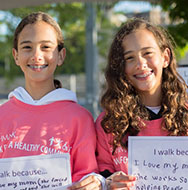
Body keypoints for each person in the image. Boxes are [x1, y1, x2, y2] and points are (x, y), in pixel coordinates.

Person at [0, 12, 105, 190]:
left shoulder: (80, 118)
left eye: (46, 47)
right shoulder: (2, 116)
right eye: (27, 47)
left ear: (61, 55)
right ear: (15, 56)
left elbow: (87, 174)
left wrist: (95, 183)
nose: (36, 55)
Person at [95, 17, 188, 189]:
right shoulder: (108, 124)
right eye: (129, 58)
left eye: (147, 53)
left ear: (165, 57)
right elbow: (101, 176)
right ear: (120, 68)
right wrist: (108, 184)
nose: (140, 64)